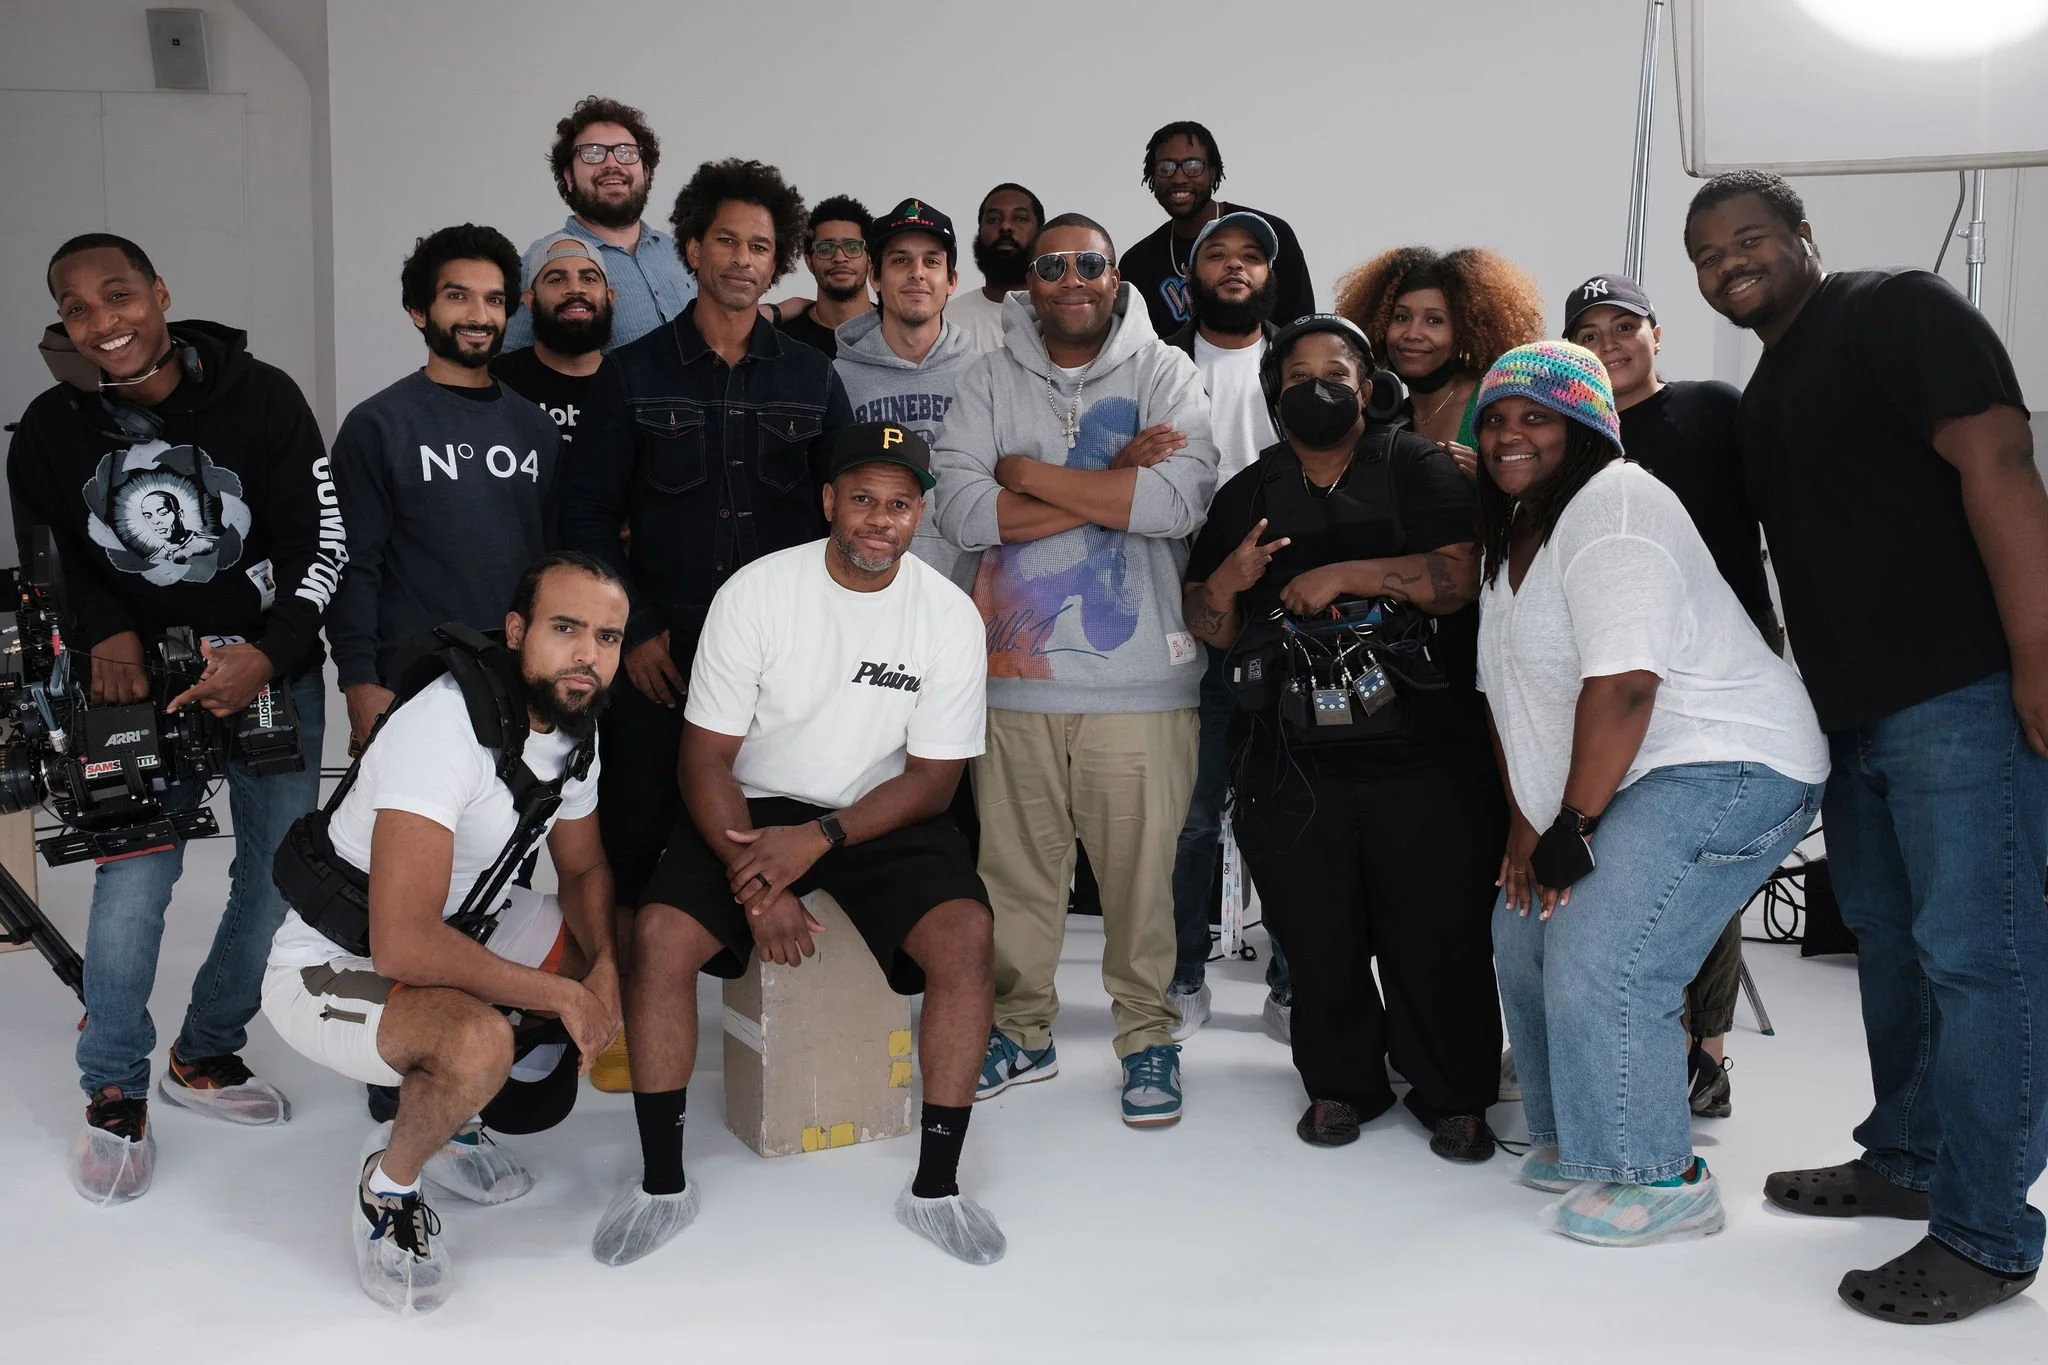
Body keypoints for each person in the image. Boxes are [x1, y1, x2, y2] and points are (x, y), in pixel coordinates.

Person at [1688, 169, 2048, 1324]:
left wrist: (2036, 656)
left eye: (1747, 238)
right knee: (1889, 947)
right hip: (1851, 715)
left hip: (1960, 695)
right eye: (1705, 254)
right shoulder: (1763, 391)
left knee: (1980, 961)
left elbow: (1997, 461)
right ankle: (1906, 1159)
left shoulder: (1895, 307)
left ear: (1801, 235)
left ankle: (1988, 1233)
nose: (1727, 263)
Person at [594, 423, 1003, 1268]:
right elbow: (703, 756)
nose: (878, 519)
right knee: (662, 938)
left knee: (966, 939)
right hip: (748, 803)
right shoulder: (757, 592)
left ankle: (939, 1185)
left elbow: (933, 781)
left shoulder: (949, 614)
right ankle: (660, 1182)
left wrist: (814, 844)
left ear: (920, 513)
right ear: (829, 503)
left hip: (880, 809)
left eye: (898, 503)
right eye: (861, 499)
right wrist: (760, 882)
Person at [1473, 341, 1828, 1247]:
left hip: (1732, 759)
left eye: (1536, 417)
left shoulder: (1617, 504)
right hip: (1638, 768)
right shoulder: (1513, 534)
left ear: (1587, 425)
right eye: (1497, 419)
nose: (1511, 434)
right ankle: (1575, 1140)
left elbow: (1625, 682)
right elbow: (1512, 700)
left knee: (1605, 947)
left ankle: (1660, 1176)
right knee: (1521, 922)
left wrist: (1575, 824)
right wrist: (1526, 824)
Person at [10, 232, 337, 1203]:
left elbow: (319, 541)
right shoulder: (48, 429)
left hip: (266, 668)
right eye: (76, 308)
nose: (102, 320)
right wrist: (102, 631)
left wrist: (268, 654)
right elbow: (48, 560)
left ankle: (205, 1054)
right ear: (63, 325)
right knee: (132, 887)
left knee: (275, 879)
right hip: (131, 688)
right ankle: (113, 1085)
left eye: (117, 295)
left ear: (158, 292)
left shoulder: (264, 396)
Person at [263, 552, 626, 1314]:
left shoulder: (573, 727)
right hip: (334, 960)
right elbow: (402, 945)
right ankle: (388, 1184)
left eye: (608, 636)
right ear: (518, 629)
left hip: (466, 927)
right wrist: (560, 992)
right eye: (566, 628)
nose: (588, 655)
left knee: (613, 952)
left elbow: (586, 872)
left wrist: (605, 975)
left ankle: (451, 1121)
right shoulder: (442, 726)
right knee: (479, 1043)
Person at [1182, 315, 1504, 1156]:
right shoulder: (1247, 494)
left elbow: (1456, 577)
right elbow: (1209, 623)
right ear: (1274, 392)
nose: (1316, 384)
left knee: (1436, 931)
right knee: (1317, 933)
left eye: (1337, 369)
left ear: (1369, 388)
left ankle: (1454, 1092)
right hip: (1290, 760)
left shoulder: (1418, 466)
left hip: (1426, 756)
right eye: (1297, 372)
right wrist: (1230, 576)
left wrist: (1340, 576)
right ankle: (1339, 1083)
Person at [932, 213, 1218, 1126]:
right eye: (1051, 265)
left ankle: (1148, 1035)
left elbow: (1176, 501)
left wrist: (1029, 472)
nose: (1071, 279)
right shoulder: (986, 378)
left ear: (1114, 276)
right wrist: (1108, 481)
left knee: (1141, 880)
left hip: (1138, 684)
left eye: (1089, 263)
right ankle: (1022, 1029)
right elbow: (964, 513)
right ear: (1029, 282)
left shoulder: (1165, 371)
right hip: (1012, 678)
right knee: (1013, 876)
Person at [561, 158, 851, 933]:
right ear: (691, 248)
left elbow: (845, 517)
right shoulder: (629, 375)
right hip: (664, 654)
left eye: (759, 247)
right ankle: (614, 1024)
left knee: (774, 822)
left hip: (783, 657)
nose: (742, 260)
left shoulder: (814, 378)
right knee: (631, 839)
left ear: (777, 259)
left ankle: (768, 1012)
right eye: (726, 241)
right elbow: (585, 514)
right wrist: (639, 626)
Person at [1564, 269, 1782, 1120]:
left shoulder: (1714, 408)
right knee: (1622, 849)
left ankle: (1708, 1053)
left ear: (1659, 334)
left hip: (1721, 663)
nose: (1610, 343)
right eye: (1590, 333)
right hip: (1617, 660)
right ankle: (1618, 1027)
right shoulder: (1572, 436)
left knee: (1702, 856)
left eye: (1625, 326)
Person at [328, 224, 559, 750]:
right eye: (458, 297)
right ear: (418, 310)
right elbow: (353, 562)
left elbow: (552, 560)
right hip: (415, 681)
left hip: (524, 678)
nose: (479, 317)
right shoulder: (378, 424)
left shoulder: (535, 429)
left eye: (494, 300)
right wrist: (359, 681)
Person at [1159, 209, 1289, 1038]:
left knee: (1286, 808)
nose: (1235, 268)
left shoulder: (1302, 359)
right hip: (1191, 604)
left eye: (1251, 257)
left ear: (1268, 276)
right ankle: (1180, 976)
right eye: (1219, 256)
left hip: (1284, 613)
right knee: (1195, 811)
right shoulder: (1156, 363)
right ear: (1192, 272)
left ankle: (1290, 981)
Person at [832, 197, 976, 585]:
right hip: (861, 588)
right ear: (875, 278)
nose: (917, 274)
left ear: (952, 281)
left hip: (965, 594)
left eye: (932, 261)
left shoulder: (984, 376)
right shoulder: (834, 379)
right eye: (900, 261)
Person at [504, 95, 695, 352]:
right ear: (568, 177)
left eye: (626, 153)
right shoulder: (542, 262)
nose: (612, 163)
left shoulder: (680, 251)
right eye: (592, 154)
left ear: (646, 173)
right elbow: (509, 366)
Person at [1336, 246, 1545, 478]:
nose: (1413, 333)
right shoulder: (1380, 420)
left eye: (1434, 320)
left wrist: (1490, 483)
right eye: (1401, 317)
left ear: (1465, 331)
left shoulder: (1495, 406)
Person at [1120, 121, 1314, 340]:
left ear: (1213, 172)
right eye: (1166, 167)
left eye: (1193, 166)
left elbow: (1303, 331)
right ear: (1152, 177)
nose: (1179, 178)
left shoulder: (1270, 235)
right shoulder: (1137, 263)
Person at [493, 235, 616, 451]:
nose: (575, 289)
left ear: (609, 297)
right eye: (556, 280)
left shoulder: (634, 385)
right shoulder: (494, 383)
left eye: (588, 278)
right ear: (530, 300)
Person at [945, 183, 1042, 353]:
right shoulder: (947, 321)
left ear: (1041, 234)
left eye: (1020, 218)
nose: (1005, 227)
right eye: (993, 219)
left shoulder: (1058, 317)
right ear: (980, 231)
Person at [774, 196, 874, 359]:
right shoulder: (781, 340)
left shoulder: (893, 334)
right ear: (809, 262)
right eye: (826, 248)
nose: (840, 258)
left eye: (852, 247)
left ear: (870, 260)